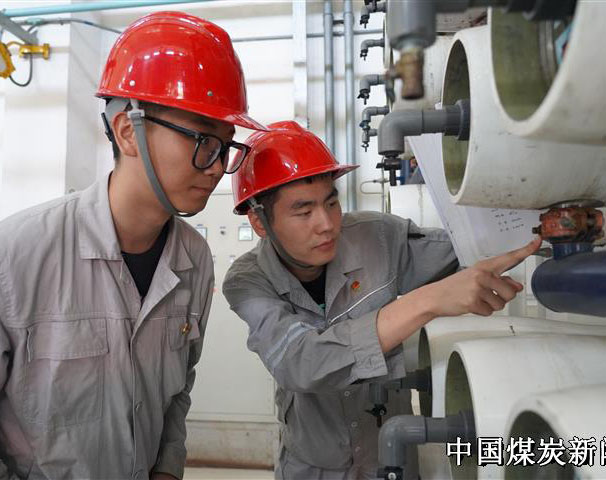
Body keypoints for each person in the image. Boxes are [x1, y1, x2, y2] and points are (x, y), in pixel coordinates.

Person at [0, 11, 265, 480]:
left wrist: (167, 468)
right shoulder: (17, 255)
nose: (216, 167)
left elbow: (177, 389)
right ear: (127, 131)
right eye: (204, 140)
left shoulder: (194, 258)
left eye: (226, 147)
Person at [222, 121, 541, 479]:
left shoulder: (379, 237)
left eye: (331, 202)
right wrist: (427, 301)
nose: (327, 224)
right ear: (259, 221)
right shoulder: (247, 280)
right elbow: (301, 362)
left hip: (390, 455)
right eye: (303, 211)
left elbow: (468, 250)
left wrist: (534, 218)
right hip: (312, 465)